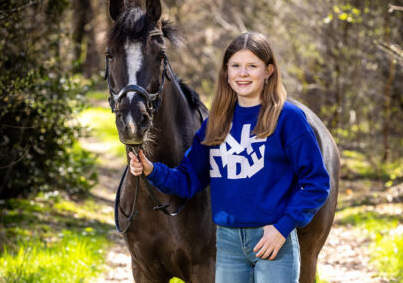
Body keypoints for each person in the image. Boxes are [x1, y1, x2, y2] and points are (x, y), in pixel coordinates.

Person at [129, 32, 330, 283]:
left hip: (272, 239)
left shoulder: (288, 117)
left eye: (252, 66)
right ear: (226, 72)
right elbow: (189, 179)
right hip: (227, 242)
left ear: (268, 71)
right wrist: (151, 169)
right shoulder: (217, 122)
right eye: (235, 66)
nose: (242, 73)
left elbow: (317, 183)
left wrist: (282, 228)